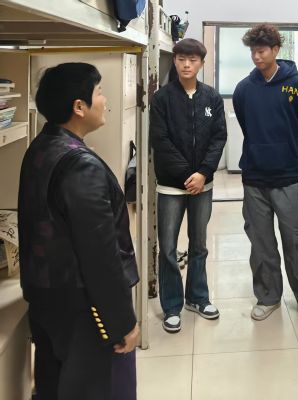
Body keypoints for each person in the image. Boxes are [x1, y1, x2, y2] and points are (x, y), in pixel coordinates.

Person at [18, 63, 140, 399]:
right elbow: (99, 255)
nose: (105, 100)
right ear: (79, 106)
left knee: (55, 386)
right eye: (99, 92)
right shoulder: (80, 166)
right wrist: (122, 322)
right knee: (98, 388)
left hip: (47, 298)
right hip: (83, 308)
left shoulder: (41, 147)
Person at [233, 24, 298, 323]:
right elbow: (247, 126)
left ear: (275, 50)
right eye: (253, 52)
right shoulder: (244, 89)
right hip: (255, 177)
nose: (257, 57)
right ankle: (268, 296)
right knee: (261, 242)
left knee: (296, 240)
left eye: (262, 51)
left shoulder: (297, 86)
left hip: (288, 176)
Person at [150, 38, 227, 333]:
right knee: (168, 248)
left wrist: (203, 173)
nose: (186, 64)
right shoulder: (162, 98)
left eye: (192, 60)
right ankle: (172, 306)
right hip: (171, 186)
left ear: (201, 64)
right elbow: (160, 140)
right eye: (181, 59)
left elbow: (219, 137)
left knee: (199, 245)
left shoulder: (212, 97)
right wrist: (188, 175)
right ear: (175, 61)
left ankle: (198, 297)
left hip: (202, 185)